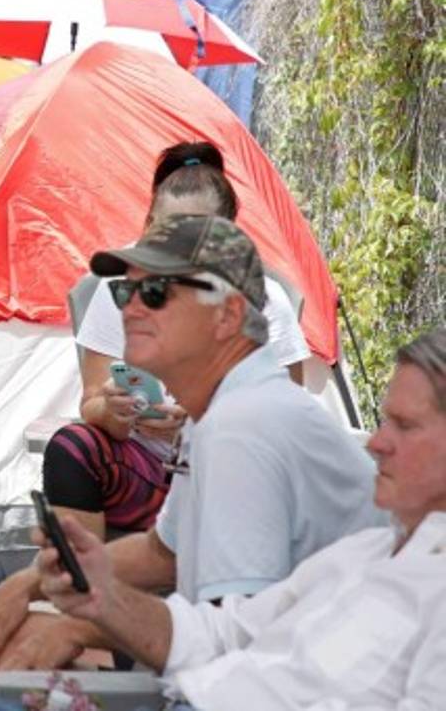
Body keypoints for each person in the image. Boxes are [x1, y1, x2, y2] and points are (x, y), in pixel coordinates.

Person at [0, 215, 384, 710]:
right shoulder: (223, 413)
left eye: (155, 292)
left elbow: (230, 647)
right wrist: (30, 583)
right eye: (126, 291)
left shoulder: (247, 427)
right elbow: (163, 553)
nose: (128, 307)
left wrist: (80, 624)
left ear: (228, 316)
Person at [38, 327, 446, 711]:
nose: (376, 443)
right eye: (385, 421)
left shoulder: (247, 426)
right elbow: (224, 633)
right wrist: (101, 596)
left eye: (405, 426)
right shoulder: (364, 552)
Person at [46, 141, 312, 540]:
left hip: (225, 470)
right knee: (72, 447)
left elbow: (286, 421)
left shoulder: (264, 302)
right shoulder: (122, 288)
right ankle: (84, 584)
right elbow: (93, 405)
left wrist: (202, 423)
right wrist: (115, 410)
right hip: (145, 468)